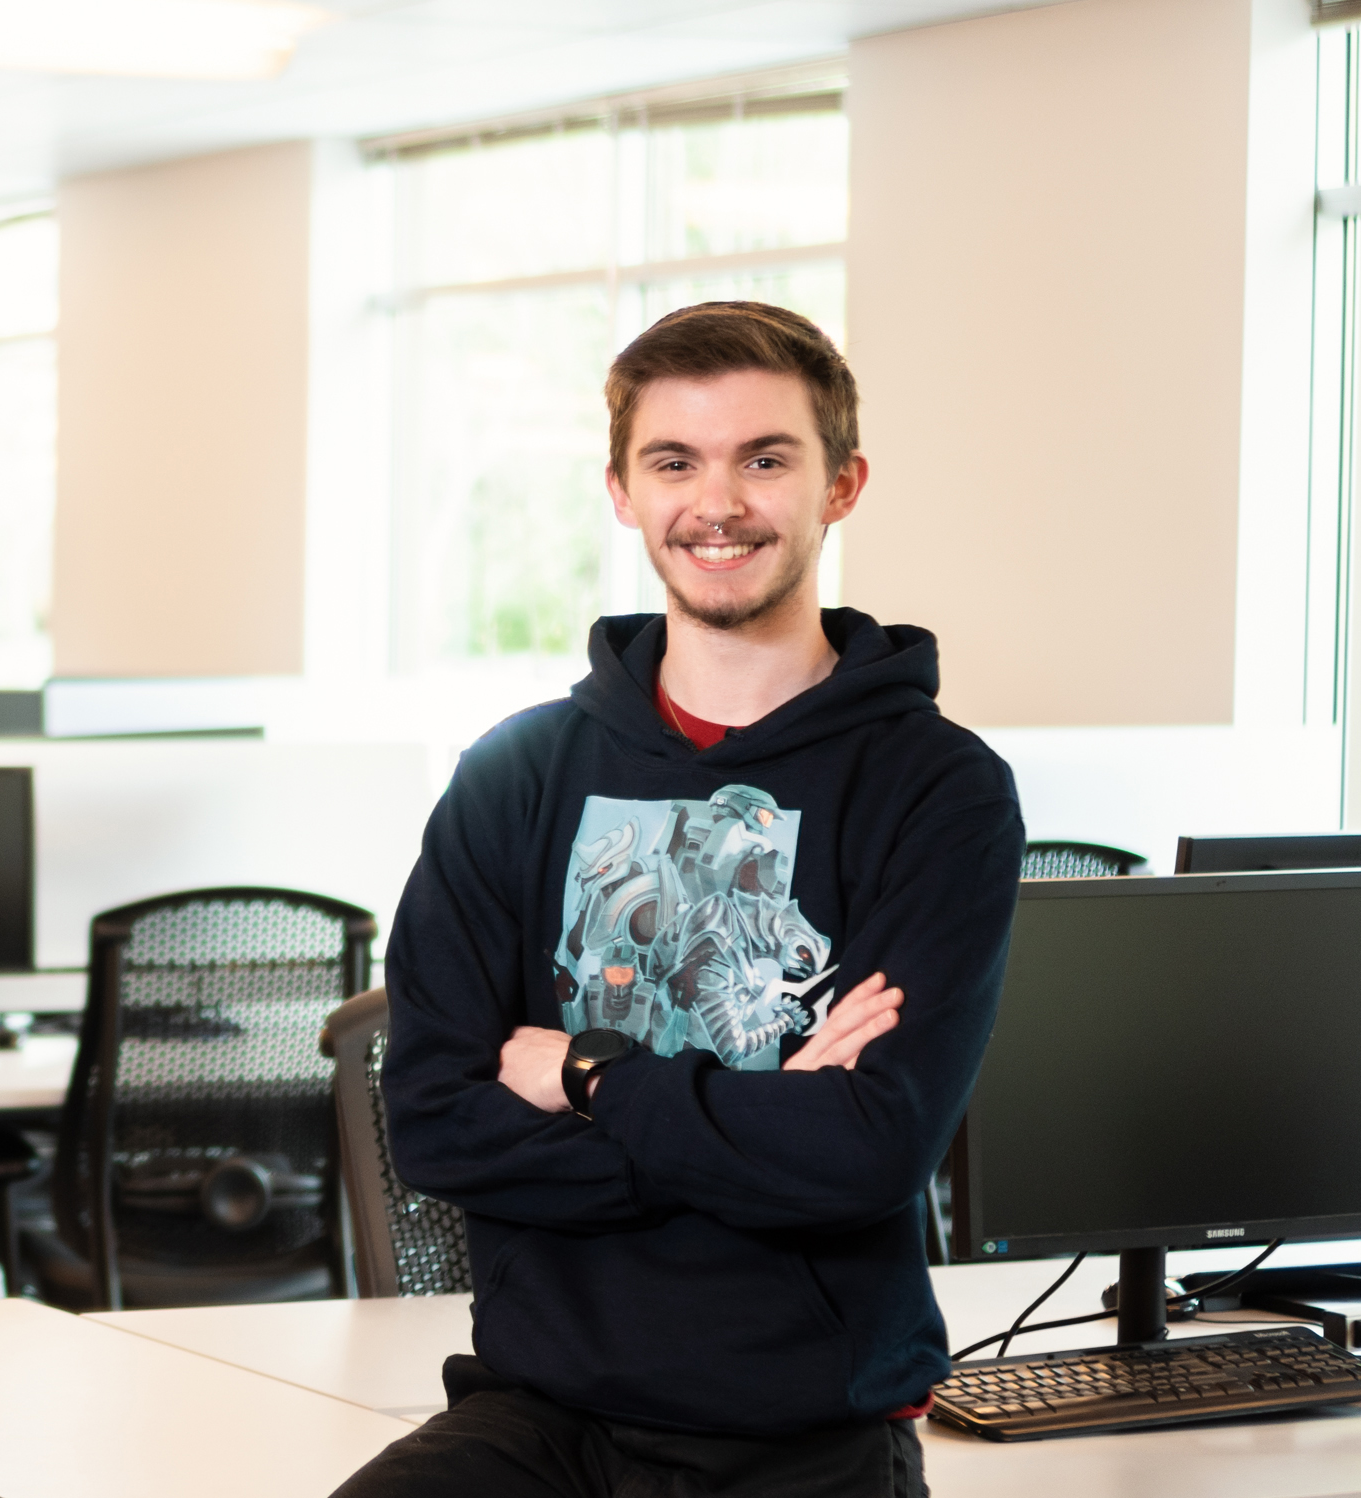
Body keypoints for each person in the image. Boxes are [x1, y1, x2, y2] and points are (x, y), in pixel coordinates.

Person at [339, 302, 1024, 1497]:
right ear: (620, 490)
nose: (718, 503)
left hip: (803, 1432)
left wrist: (587, 1079)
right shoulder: (516, 771)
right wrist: (755, 1122)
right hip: (537, 1409)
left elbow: (865, 1153)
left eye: (764, 458)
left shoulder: (937, 788)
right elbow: (435, 1122)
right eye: (674, 461)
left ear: (840, 485)